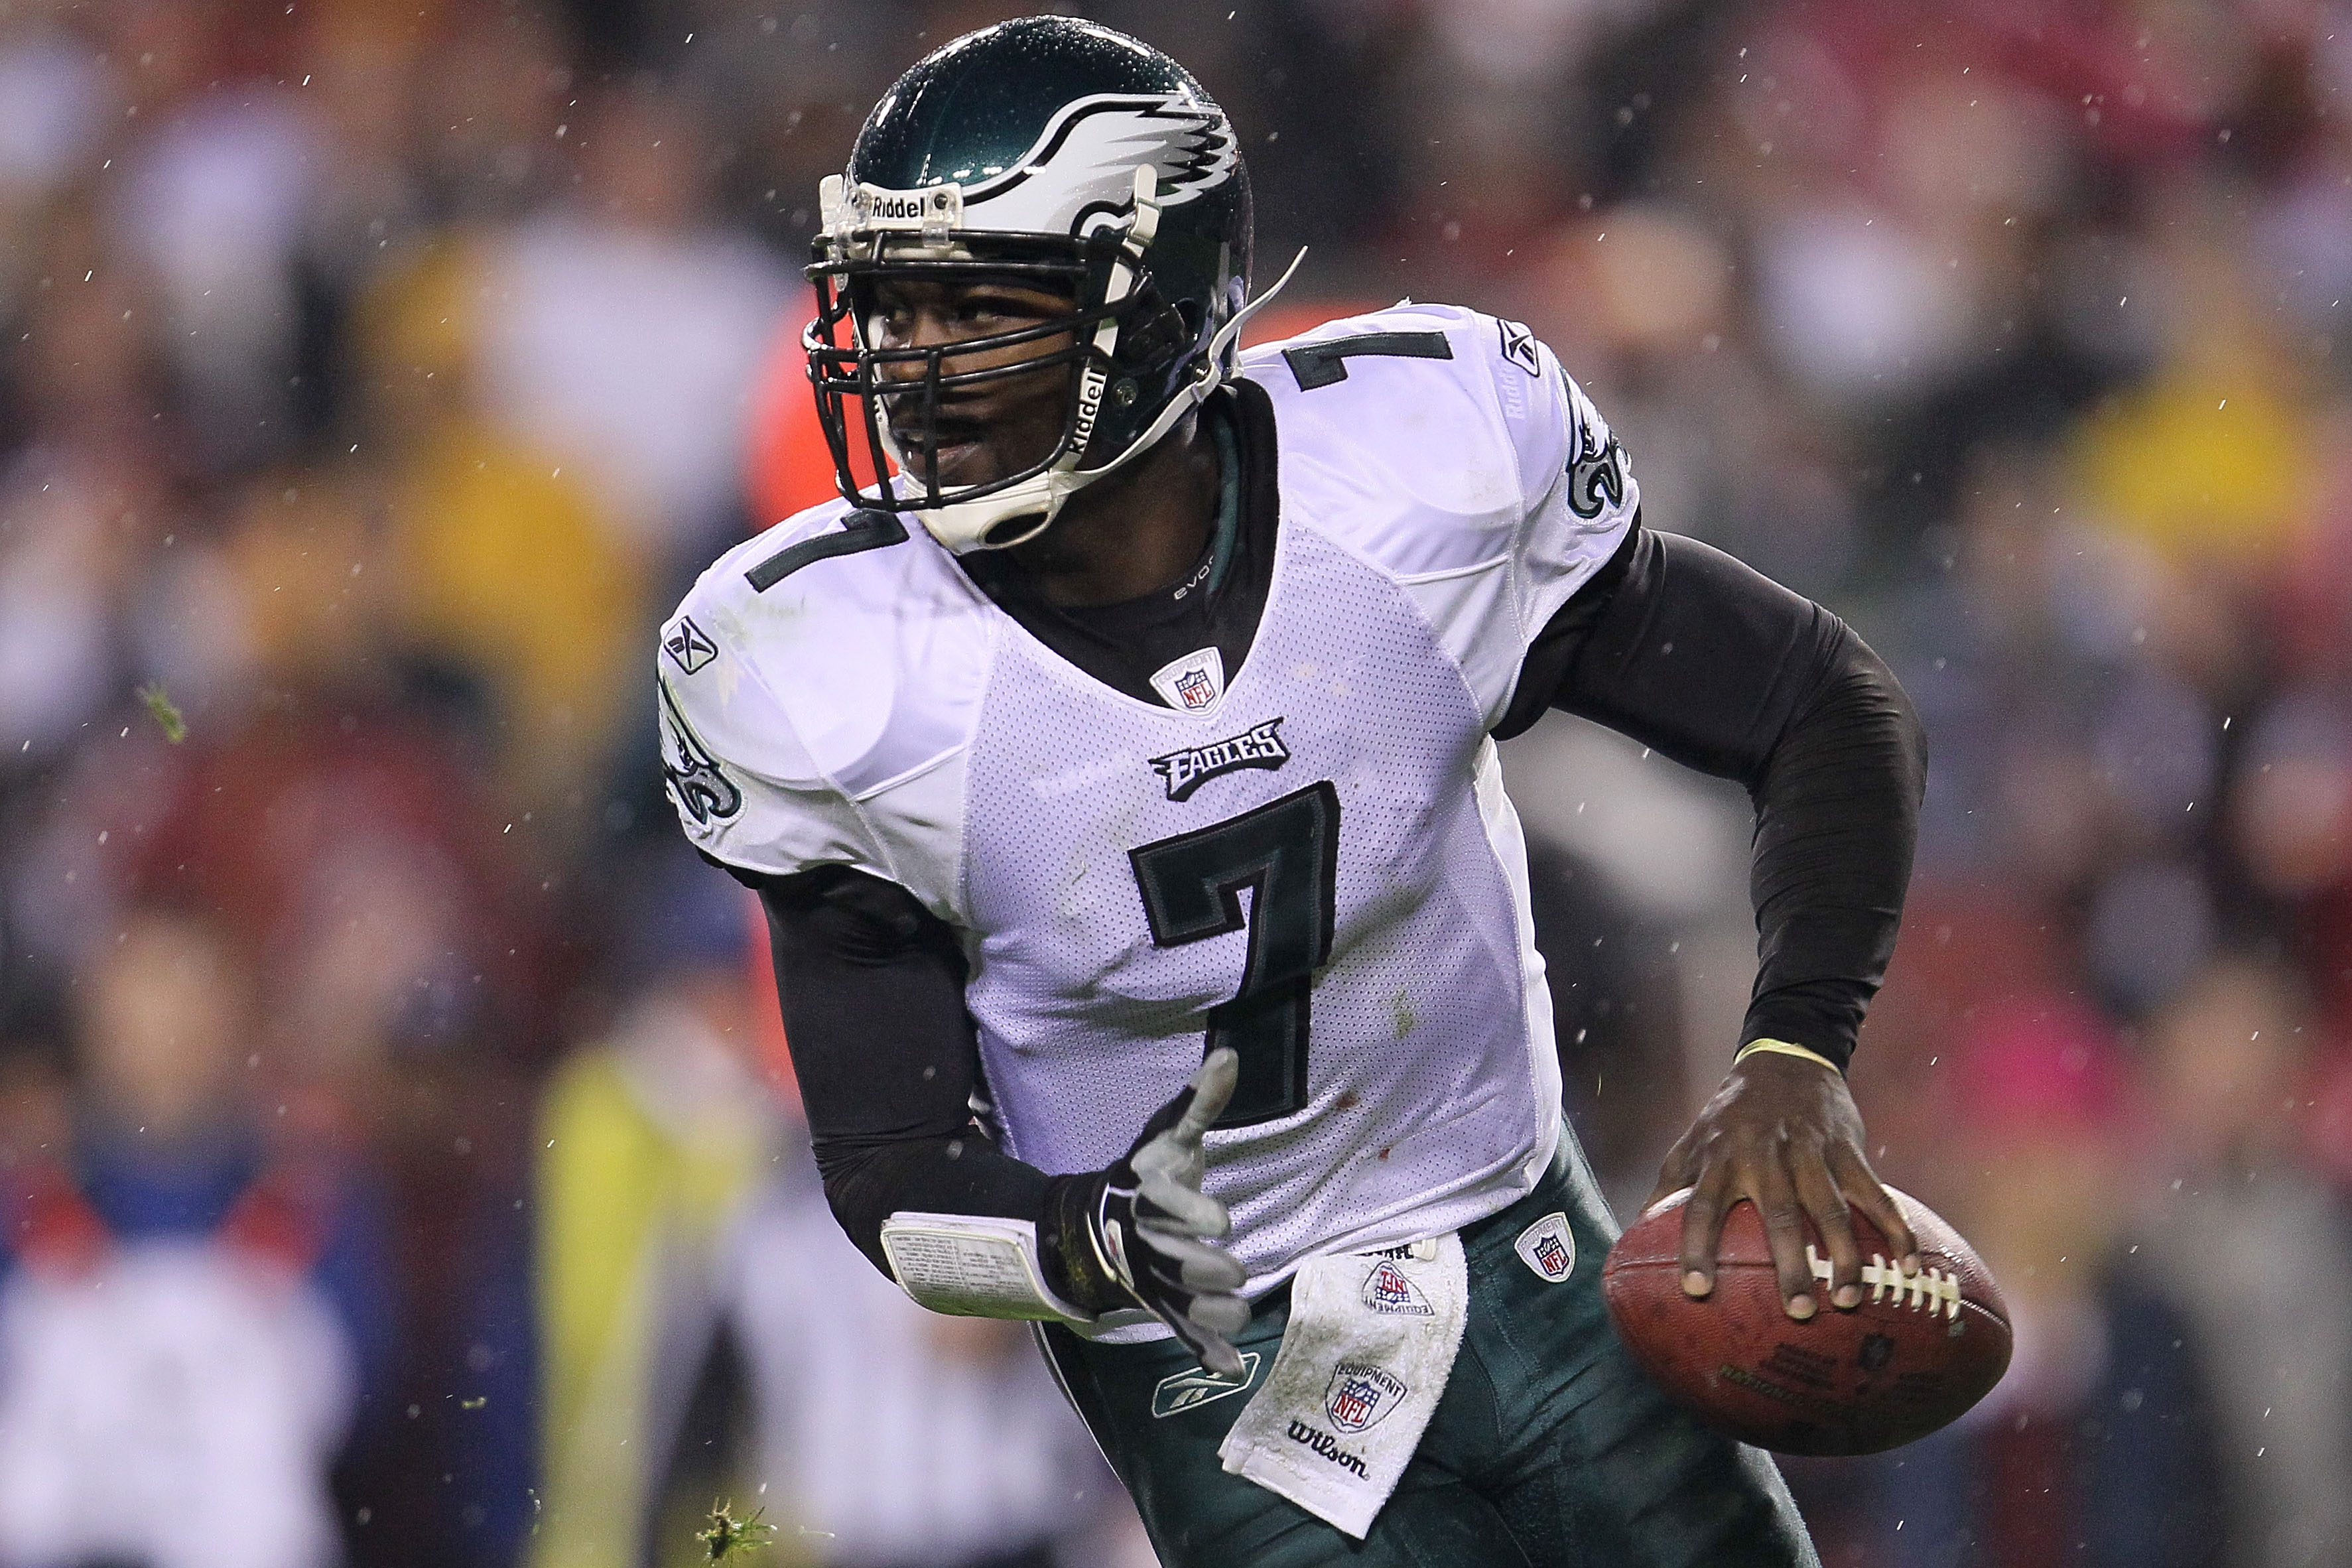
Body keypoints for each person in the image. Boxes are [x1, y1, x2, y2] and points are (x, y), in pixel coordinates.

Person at [657, 18, 1926, 1567]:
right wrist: (1086, 1240)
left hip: (1523, 1243)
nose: (918, 364)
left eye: (982, 305)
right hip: (1213, 1362)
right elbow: (887, 1172)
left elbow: (1822, 705)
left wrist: (1796, 1048)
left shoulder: (1412, 473)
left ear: (1158, 305)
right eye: (896, 306)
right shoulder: (825, 666)